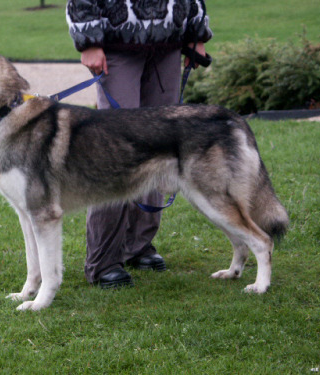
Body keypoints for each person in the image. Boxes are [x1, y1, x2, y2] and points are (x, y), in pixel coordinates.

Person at [66, 0, 213, 288]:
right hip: (117, 43)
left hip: (168, 43)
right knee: (116, 153)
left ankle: (138, 246)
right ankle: (103, 261)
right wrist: (88, 40)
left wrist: (196, 32)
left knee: (159, 146)